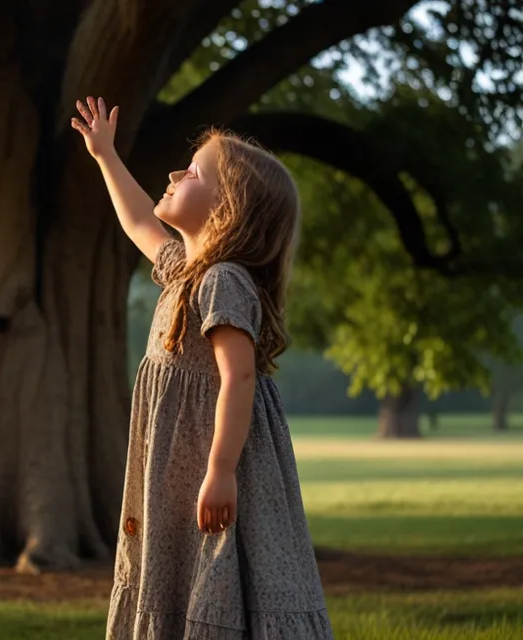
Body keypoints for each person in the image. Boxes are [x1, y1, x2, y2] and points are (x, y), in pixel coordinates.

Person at [71, 97, 335, 640]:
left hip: (212, 459)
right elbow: (141, 221)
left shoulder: (223, 281)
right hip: (178, 462)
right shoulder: (187, 274)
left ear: (227, 208)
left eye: (191, 172)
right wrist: (105, 157)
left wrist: (220, 470)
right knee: (181, 570)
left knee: (218, 571)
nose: (173, 173)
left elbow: (238, 377)